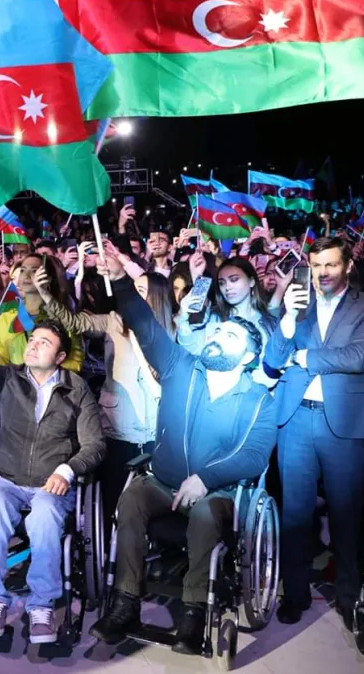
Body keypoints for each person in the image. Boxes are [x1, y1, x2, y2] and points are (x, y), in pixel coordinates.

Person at [89, 275, 276, 653]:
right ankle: (125, 602)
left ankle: (193, 613)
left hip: (218, 492)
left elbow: (254, 456)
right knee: (130, 501)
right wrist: (123, 283)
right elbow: (144, 325)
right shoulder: (180, 367)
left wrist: (205, 479)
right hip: (162, 481)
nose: (217, 337)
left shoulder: (257, 399)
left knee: (206, 515)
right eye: (217, 331)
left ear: (249, 356)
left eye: (230, 336)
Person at [0, 310, 105, 645]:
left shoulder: (77, 389)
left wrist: (67, 469)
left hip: (50, 484)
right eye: (33, 340)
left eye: (44, 343)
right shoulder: (9, 378)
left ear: (59, 356)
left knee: (44, 515)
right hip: (8, 480)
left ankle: (41, 605)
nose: (33, 346)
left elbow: (95, 444)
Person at [265, 237, 364, 629]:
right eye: (317, 265)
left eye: (331, 265)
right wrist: (286, 320)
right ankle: (295, 593)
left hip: (345, 423)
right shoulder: (298, 308)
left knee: (346, 514)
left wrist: (304, 357)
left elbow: (359, 357)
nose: (322, 273)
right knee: (295, 515)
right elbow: (272, 360)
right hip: (296, 420)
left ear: (348, 265)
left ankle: (350, 598)